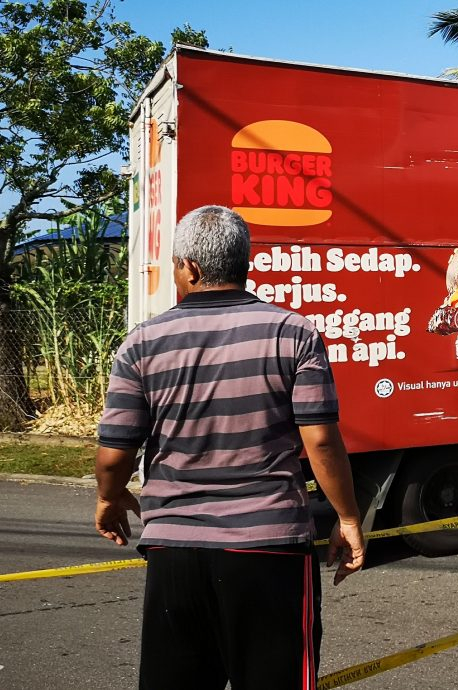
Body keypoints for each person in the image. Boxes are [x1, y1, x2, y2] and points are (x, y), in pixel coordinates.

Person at [94, 205, 366, 690]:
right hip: (271, 547)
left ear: (190, 268)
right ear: (245, 262)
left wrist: (109, 498)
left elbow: (115, 451)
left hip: (174, 549)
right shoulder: (294, 332)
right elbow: (320, 438)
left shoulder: (142, 342)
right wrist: (347, 519)